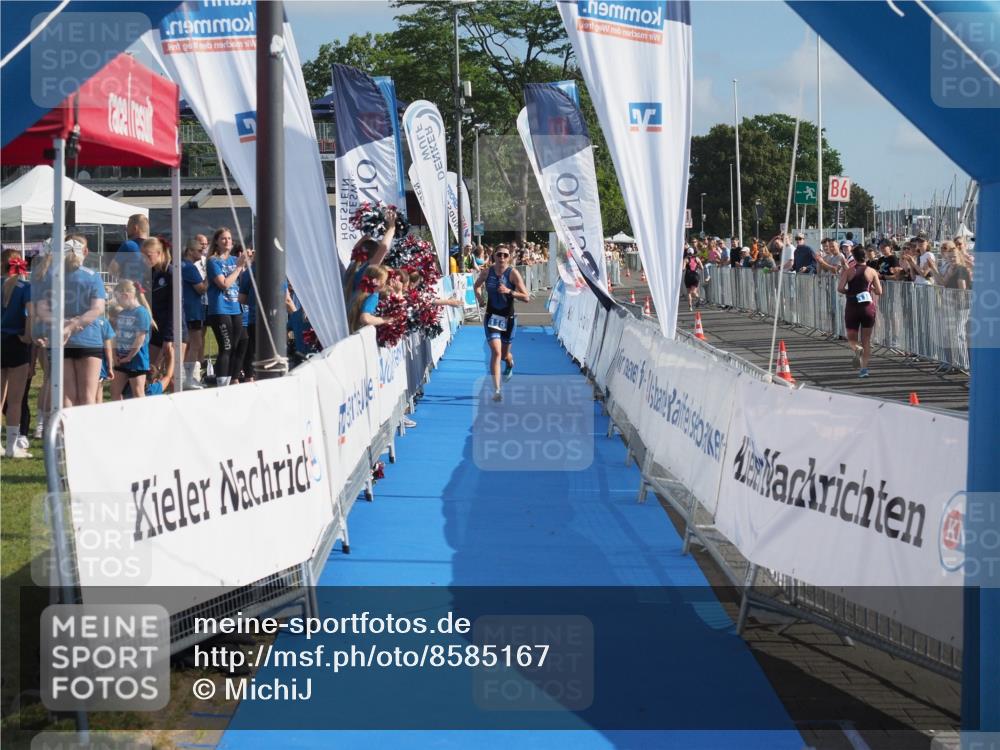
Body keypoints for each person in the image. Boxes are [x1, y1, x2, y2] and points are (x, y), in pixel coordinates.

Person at [33, 237, 108, 407]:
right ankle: (85, 433)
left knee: (67, 396)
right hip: (88, 338)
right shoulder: (92, 276)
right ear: (84, 252)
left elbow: (42, 309)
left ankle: (68, 433)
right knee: (88, 397)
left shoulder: (50, 276)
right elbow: (97, 309)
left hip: (61, 339)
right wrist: (73, 325)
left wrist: (63, 326)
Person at [474, 245, 530, 401]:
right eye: (499, 255)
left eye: (505, 255)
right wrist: (479, 298)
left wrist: (509, 291)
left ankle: (510, 363)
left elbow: (526, 297)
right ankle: (497, 390)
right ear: (494, 256)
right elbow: (476, 286)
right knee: (496, 352)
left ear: (509, 257)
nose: (502, 258)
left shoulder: (513, 274)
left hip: (508, 319)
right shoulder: (487, 272)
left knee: (505, 355)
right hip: (492, 317)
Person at [206, 227, 250, 387]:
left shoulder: (234, 260)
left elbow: (243, 282)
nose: (227, 241)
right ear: (217, 242)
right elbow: (224, 284)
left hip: (236, 309)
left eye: (230, 238)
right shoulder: (213, 261)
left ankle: (232, 379)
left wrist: (247, 263)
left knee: (235, 347)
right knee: (226, 346)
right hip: (220, 309)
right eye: (223, 238)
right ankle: (222, 384)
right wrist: (239, 268)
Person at [142, 237, 186, 392]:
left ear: (159, 253)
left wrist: (169, 338)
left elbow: (175, 307)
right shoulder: (150, 273)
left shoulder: (171, 272)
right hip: (155, 330)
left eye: (148, 255)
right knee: (151, 372)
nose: (144, 259)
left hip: (174, 330)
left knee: (173, 378)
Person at [2, 250, 33, 457]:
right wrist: (28, 336)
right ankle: (12, 446)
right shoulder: (26, 287)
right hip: (16, 343)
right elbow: (31, 314)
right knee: (15, 400)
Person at [838, 245, 882, 378]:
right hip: (867, 307)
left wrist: (849, 292)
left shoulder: (849, 271)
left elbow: (840, 288)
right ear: (866, 257)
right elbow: (879, 291)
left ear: (854, 258)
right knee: (866, 339)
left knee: (852, 338)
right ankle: (864, 370)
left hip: (852, 306)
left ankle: (857, 349)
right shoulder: (872, 271)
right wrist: (871, 288)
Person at [109, 279, 151, 400]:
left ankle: (143, 417)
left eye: (117, 298)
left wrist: (129, 356)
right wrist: (115, 354)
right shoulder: (122, 313)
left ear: (125, 295)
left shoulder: (141, 313)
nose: (117, 301)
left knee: (138, 392)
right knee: (115, 391)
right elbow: (117, 335)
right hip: (121, 358)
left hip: (137, 360)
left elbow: (140, 338)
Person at [181, 238, 208, 388]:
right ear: (190, 251)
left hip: (187, 309)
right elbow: (202, 288)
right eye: (199, 250)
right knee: (196, 343)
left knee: (189, 343)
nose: (202, 253)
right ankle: (189, 378)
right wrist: (210, 275)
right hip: (192, 309)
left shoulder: (182, 265)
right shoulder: (190, 267)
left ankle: (186, 376)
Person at [109, 213, 150, 285]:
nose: (126, 229)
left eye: (128, 226)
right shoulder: (154, 246)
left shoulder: (129, 245)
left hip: (132, 290)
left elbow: (112, 268)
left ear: (135, 228)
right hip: (149, 290)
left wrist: (122, 280)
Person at [348, 265, 390, 332]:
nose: (385, 284)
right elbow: (365, 318)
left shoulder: (360, 289)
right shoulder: (373, 296)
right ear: (378, 282)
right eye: (385, 281)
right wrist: (385, 319)